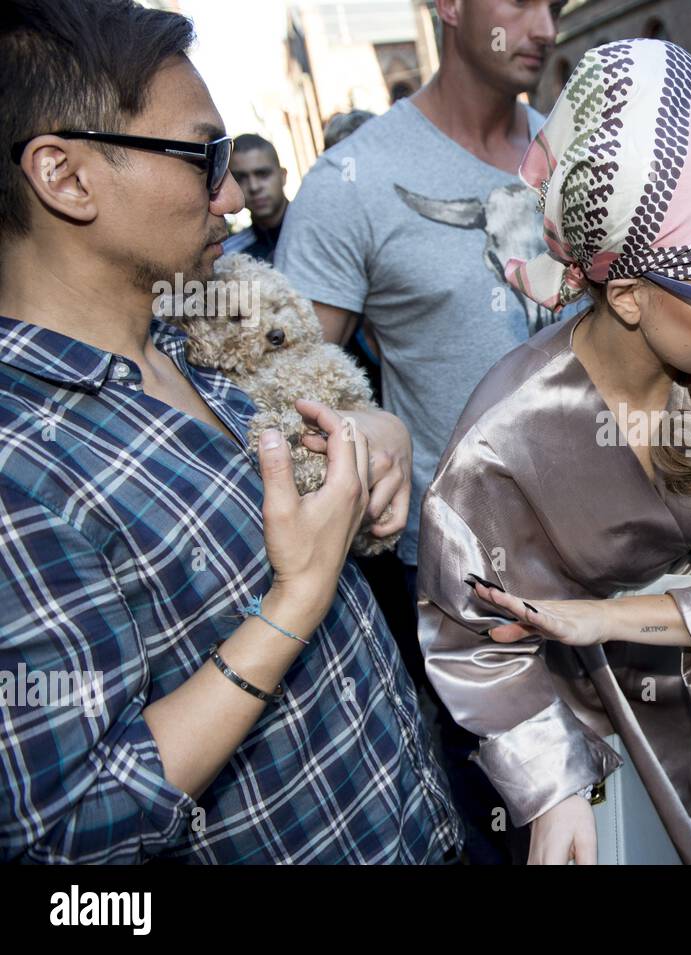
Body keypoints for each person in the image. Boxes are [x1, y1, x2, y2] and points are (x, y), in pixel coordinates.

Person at [0, 0, 461, 864]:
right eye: (201, 154)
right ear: (65, 177)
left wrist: (373, 427)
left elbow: (318, 427)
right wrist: (292, 605)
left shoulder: (204, 337)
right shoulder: (20, 462)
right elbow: (66, 832)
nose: (228, 192)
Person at [417, 38, 691, 864]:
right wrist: (551, 782)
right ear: (631, 295)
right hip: (586, 721)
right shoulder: (505, 433)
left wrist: (606, 617)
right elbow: (468, 636)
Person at [275, 0, 567, 864]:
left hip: (616, 558)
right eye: (520, 1)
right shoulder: (350, 181)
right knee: (511, 822)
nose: (545, 27)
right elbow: (287, 386)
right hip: (462, 582)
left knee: (623, 805)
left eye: (557, 2)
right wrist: (370, 432)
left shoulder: (580, 152)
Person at [225, 133, 288, 261]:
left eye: (262, 174)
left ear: (283, 176)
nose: (254, 187)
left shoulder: (321, 231)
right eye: (241, 178)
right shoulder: (229, 257)